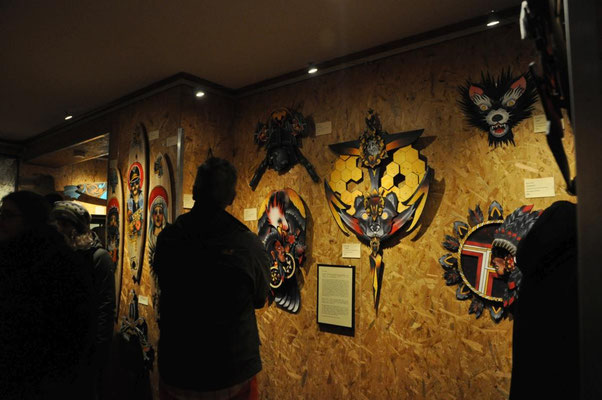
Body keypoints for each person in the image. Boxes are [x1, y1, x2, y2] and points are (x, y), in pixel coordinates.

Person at [154, 157, 271, 400]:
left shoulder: (168, 238)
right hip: (231, 373)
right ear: (231, 197)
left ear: (195, 190)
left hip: (178, 369)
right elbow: (260, 298)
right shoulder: (246, 243)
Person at [0, 191, 95, 399]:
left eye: (8, 215)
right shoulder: (10, 256)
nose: (2, 221)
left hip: (40, 379)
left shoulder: (63, 263)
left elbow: (76, 327)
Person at [50, 201, 116, 400]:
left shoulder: (98, 257)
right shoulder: (59, 254)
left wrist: (98, 350)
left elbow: (105, 304)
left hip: (86, 346)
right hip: (59, 344)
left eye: (62, 223)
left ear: (74, 228)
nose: (56, 228)